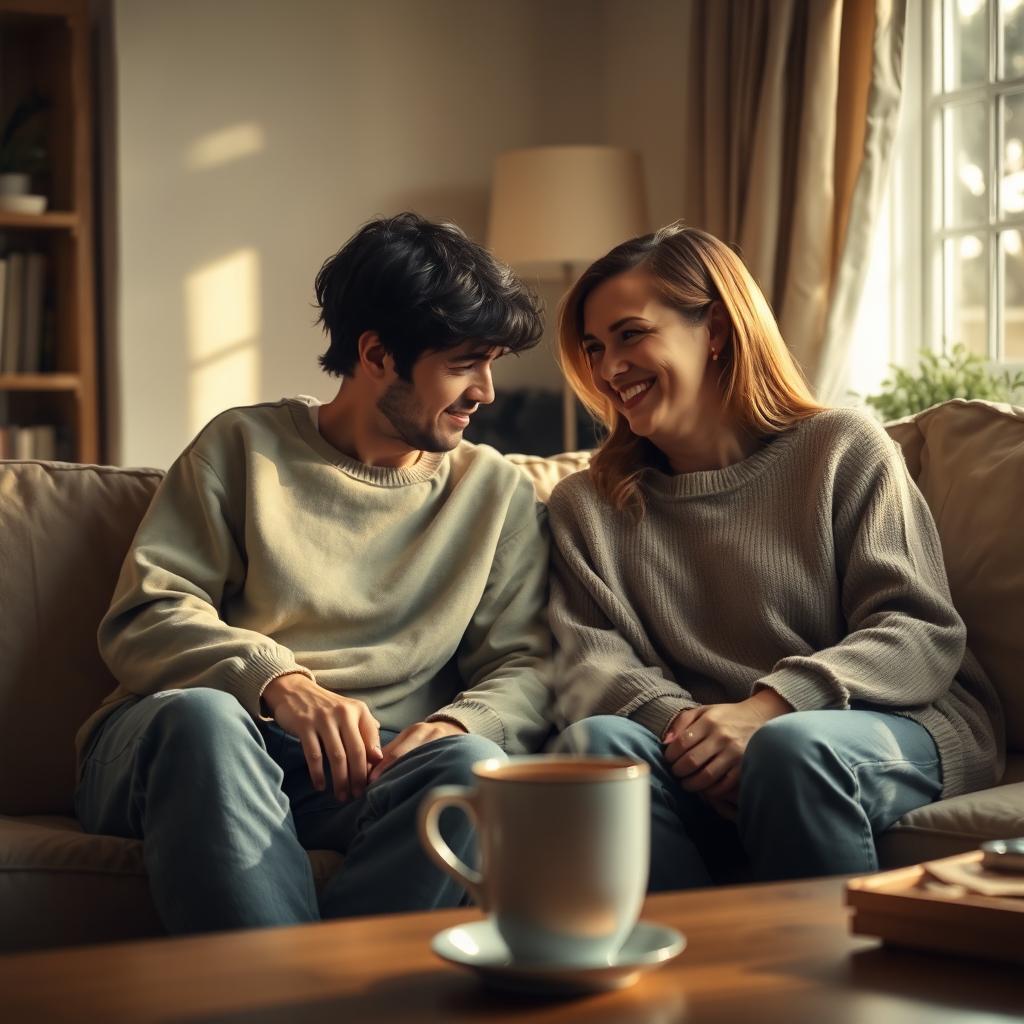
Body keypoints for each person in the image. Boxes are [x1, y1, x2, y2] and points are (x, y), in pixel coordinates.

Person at [74, 212, 554, 934]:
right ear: (376, 354)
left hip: (362, 775)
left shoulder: (495, 493)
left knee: (472, 766)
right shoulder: (243, 446)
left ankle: (325, 997)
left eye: (491, 364)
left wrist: (461, 719)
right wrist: (279, 683)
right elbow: (148, 612)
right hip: (195, 745)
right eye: (463, 363)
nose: (485, 391)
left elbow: (529, 663)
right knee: (204, 719)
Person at [546, 223, 1004, 888]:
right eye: (593, 347)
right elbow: (590, 665)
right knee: (595, 751)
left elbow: (919, 633)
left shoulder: (843, 448)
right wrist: (695, 739)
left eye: (630, 334)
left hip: (888, 722)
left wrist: (766, 711)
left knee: (790, 751)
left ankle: (825, 990)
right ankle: (690, 982)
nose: (607, 368)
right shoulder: (586, 506)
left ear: (717, 332)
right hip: (699, 746)